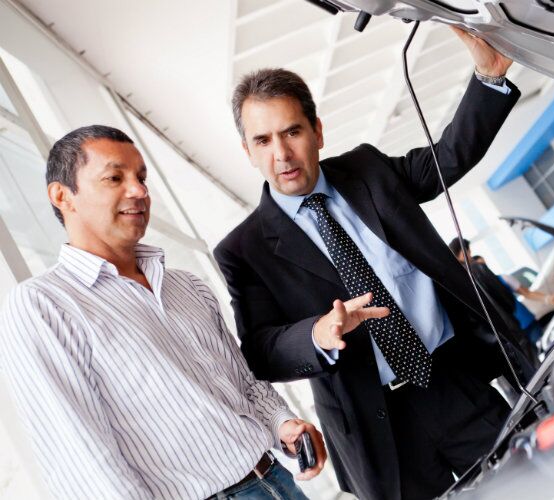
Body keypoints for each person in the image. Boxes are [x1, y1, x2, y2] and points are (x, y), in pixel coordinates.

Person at [214, 27, 535, 500]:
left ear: (317, 131)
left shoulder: (369, 170)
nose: (281, 154)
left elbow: (447, 159)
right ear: (248, 152)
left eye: (292, 132)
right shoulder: (243, 250)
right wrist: (317, 335)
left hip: (454, 381)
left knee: (534, 485)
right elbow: (260, 350)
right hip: (376, 425)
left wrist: (488, 78)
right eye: (262, 141)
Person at [0, 125, 327, 500]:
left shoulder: (187, 286)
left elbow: (244, 385)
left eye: (141, 177)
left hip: (275, 480)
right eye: (114, 178)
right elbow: (82, 459)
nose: (139, 190)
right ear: (63, 196)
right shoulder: (43, 306)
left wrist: (282, 424)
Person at [448, 237, 554, 344]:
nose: (482, 268)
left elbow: (527, 293)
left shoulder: (503, 278)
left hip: (524, 324)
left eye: (482, 265)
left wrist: (548, 299)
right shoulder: (473, 287)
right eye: (479, 265)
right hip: (513, 330)